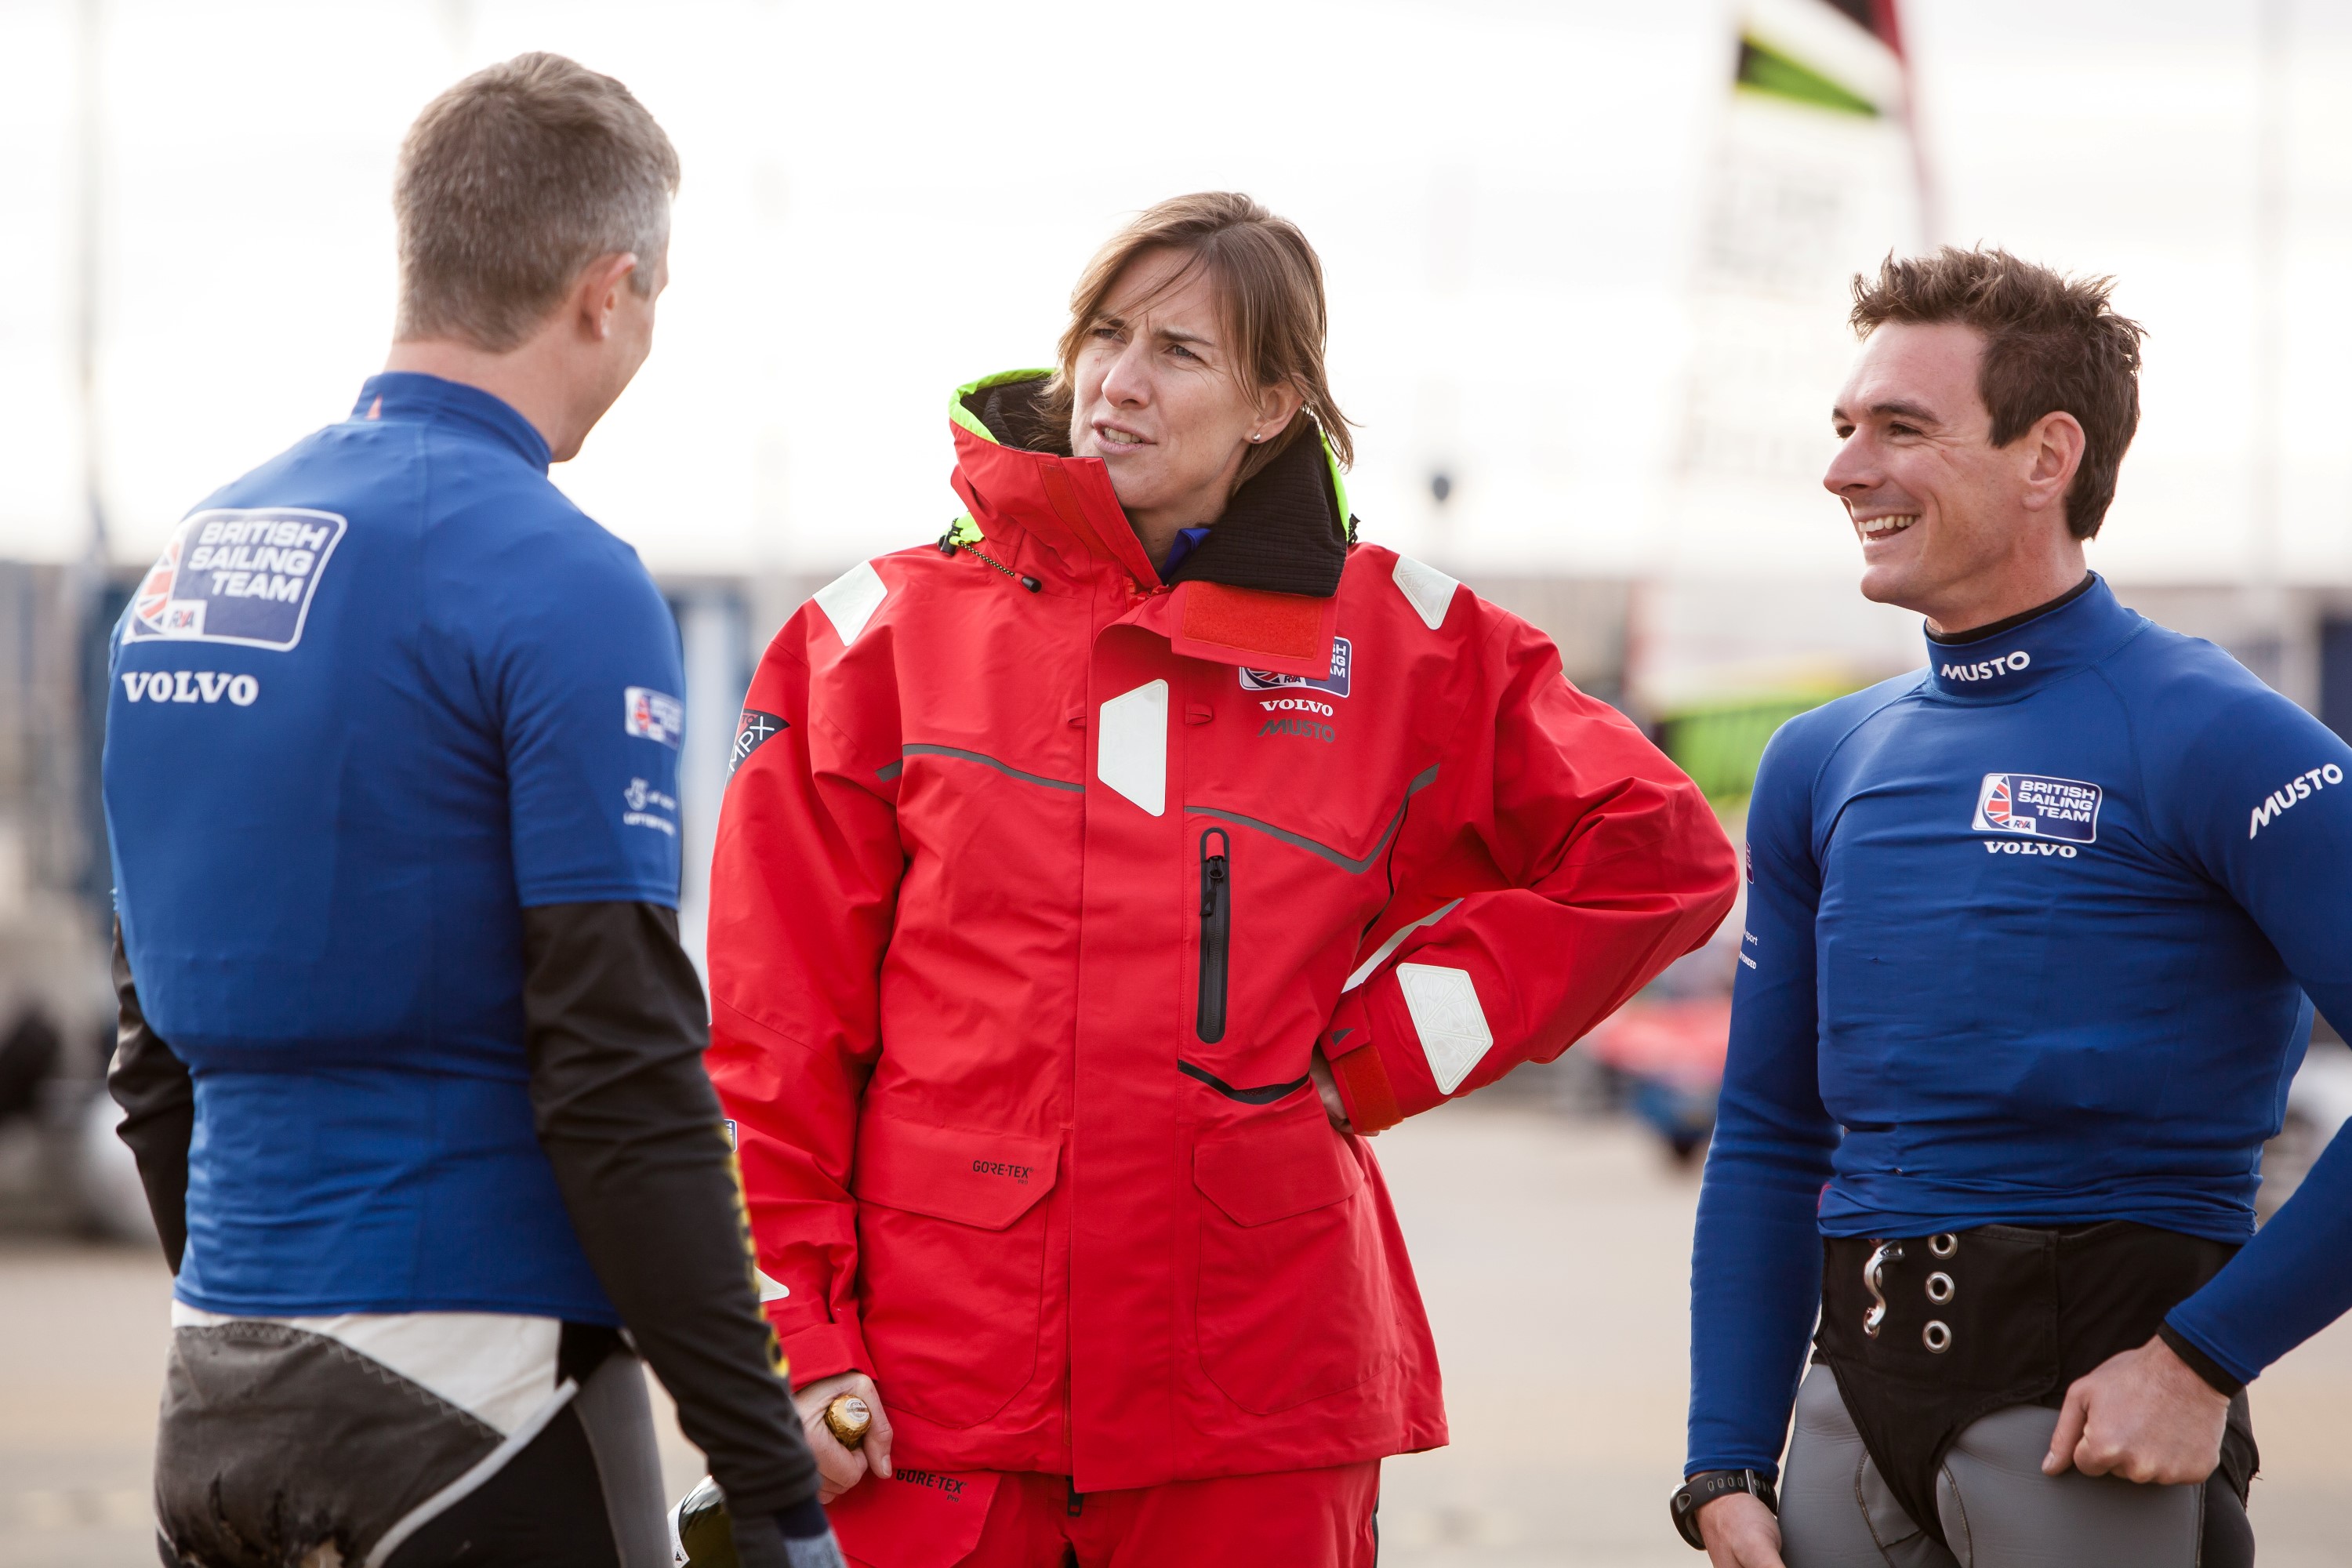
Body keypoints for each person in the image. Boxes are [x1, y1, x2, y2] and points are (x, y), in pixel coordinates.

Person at [705, 191, 1740, 1568]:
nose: (1116, 387)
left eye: (1178, 353)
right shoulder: (874, 640)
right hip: (936, 1391)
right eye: (1103, 336)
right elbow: (777, 1034)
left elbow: (1654, 853)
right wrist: (805, 1334)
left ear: (1271, 404)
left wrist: (1379, 1050)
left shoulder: (1400, 644)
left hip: (1255, 1399)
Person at [103, 54, 837, 1568]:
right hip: (480, 1399)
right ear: (608, 289)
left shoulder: (193, 569)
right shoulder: (560, 577)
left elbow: (151, 1063)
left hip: (218, 1386)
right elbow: (621, 1074)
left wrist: (267, 1320)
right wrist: (769, 1484)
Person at [1679, 247, 2352, 1568]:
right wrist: (1721, 1453)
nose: (1844, 469)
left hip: (2094, 1422)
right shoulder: (1822, 761)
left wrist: (2204, 1361)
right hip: (1840, 1430)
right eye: (1844, 428)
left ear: (2049, 455)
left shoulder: (2226, 740)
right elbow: (1767, 1128)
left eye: (1901, 429)